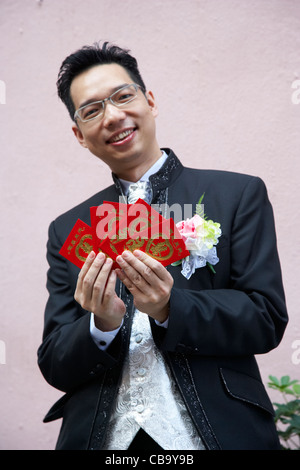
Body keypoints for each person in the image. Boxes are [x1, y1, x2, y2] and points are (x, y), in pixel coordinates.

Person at [37, 41, 288, 450]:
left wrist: (171, 308)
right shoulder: (67, 229)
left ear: (149, 101)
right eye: (92, 110)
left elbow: (265, 318)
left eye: (122, 96)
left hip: (218, 432)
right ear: (79, 134)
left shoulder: (237, 194)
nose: (113, 116)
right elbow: (54, 361)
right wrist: (101, 324)